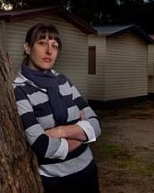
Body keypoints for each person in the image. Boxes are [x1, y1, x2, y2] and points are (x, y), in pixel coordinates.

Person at [12, 23, 101, 193]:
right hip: (56, 182)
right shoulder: (19, 89)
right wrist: (82, 133)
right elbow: (42, 146)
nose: (49, 51)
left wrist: (59, 131)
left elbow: (96, 126)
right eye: (42, 43)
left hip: (88, 170)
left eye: (55, 46)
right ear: (28, 48)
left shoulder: (63, 81)